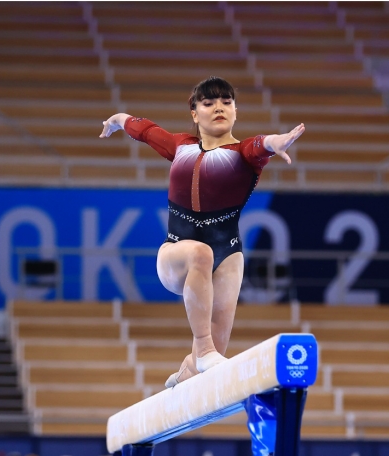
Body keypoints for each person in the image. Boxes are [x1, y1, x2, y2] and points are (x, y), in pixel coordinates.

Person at [100, 76, 304, 387]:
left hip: (228, 256)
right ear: (195, 113)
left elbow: (261, 144)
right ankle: (204, 348)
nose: (218, 108)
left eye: (226, 102)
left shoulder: (244, 154)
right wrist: (117, 120)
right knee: (199, 252)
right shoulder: (180, 146)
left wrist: (276, 143)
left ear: (236, 110)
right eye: (208, 103)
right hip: (176, 254)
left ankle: (188, 369)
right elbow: (145, 130)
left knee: (210, 361)